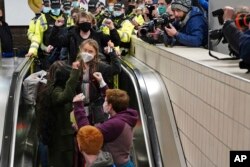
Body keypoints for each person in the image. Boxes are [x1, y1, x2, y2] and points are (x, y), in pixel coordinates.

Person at [73, 78, 138, 167]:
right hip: (125, 162)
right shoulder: (126, 115)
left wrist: (78, 106)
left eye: (105, 101)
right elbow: (114, 99)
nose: (104, 103)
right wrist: (102, 83)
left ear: (110, 106)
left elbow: (87, 134)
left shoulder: (115, 124)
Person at [36, 60, 81, 167]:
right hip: (59, 139)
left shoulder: (48, 87)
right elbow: (64, 97)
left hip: (56, 135)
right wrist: (74, 73)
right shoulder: (55, 90)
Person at [49, 10, 120, 64]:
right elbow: (54, 41)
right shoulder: (71, 36)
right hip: (76, 71)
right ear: (78, 23)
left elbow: (115, 42)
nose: (85, 23)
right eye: (82, 21)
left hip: (95, 71)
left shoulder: (98, 35)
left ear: (92, 23)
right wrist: (56, 27)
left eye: (87, 21)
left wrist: (112, 28)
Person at [77, 39, 121, 124]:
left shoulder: (99, 66)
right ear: (80, 50)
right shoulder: (76, 66)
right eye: (85, 50)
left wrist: (111, 51)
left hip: (97, 110)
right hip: (81, 109)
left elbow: (116, 69)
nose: (87, 53)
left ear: (95, 53)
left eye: (90, 51)